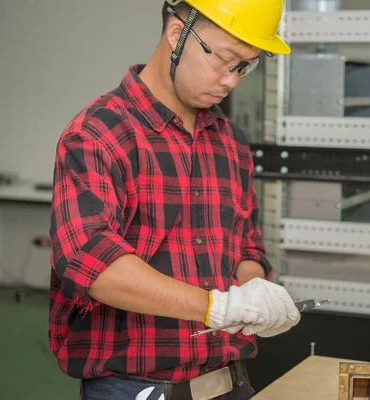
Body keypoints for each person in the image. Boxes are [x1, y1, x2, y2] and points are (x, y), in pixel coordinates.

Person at [48, 1, 299, 399]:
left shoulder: (231, 141)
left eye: (244, 67)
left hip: (230, 383)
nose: (231, 81)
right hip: (134, 388)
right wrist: (215, 307)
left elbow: (246, 246)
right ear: (177, 34)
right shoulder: (98, 133)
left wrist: (255, 295)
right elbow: (93, 265)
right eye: (226, 60)